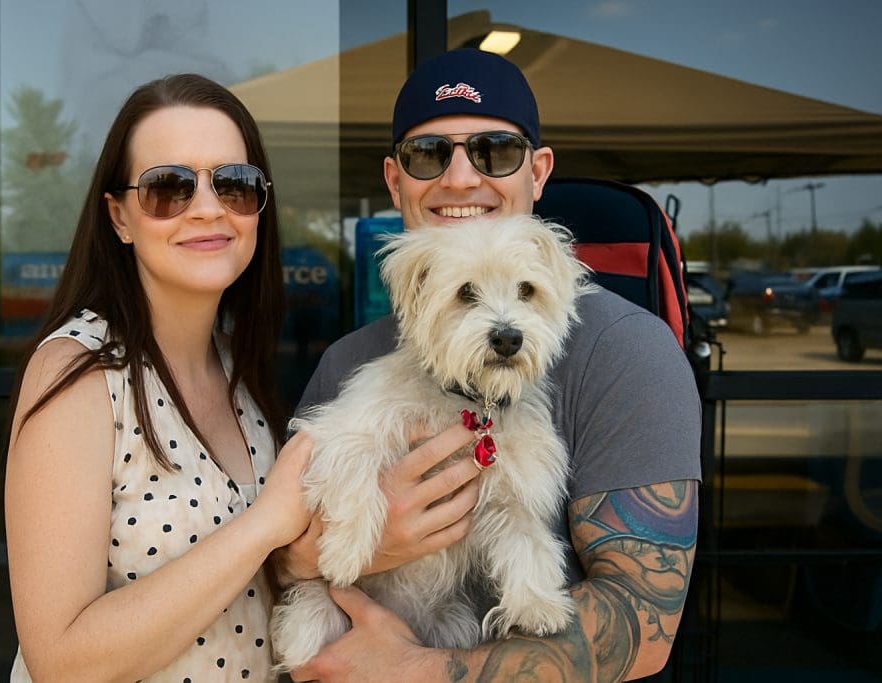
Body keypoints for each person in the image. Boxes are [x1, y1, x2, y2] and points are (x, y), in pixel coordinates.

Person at [283, 48, 702, 682]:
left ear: (537, 173)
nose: (458, 180)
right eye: (430, 155)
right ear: (395, 181)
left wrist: (416, 671)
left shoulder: (627, 353)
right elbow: (279, 555)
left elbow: (643, 621)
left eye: (494, 151)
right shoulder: (351, 359)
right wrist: (328, 552)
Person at [4, 73, 314, 682]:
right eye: (168, 187)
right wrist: (268, 524)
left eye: (235, 184)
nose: (207, 207)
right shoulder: (78, 372)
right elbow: (60, 662)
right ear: (120, 217)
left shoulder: (239, 370)